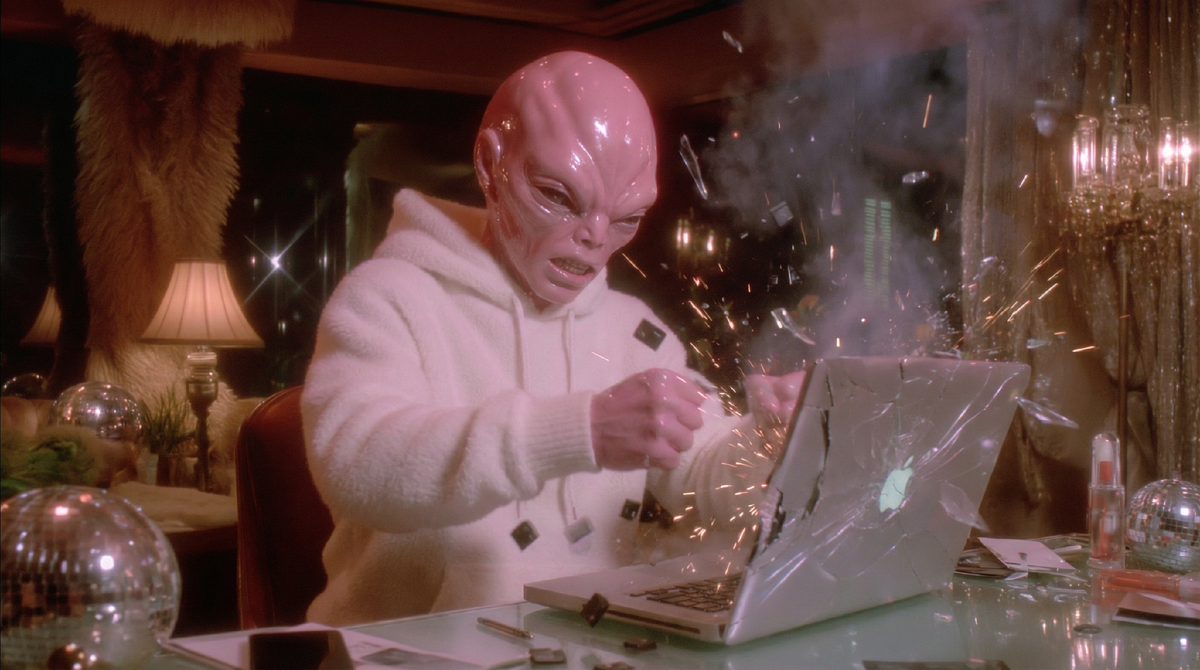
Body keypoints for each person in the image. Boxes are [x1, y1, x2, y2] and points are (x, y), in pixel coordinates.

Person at [301, 51, 803, 625]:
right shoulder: (389, 298)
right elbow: (356, 466)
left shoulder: (634, 331)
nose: (594, 238)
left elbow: (701, 472)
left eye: (625, 219)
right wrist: (579, 430)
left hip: (585, 647)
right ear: (490, 164)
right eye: (559, 197)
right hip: (408, 651)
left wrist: (772, 444)